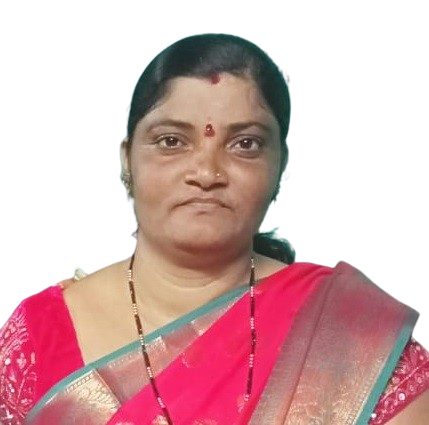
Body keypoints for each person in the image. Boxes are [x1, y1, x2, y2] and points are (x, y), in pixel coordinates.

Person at [0, 33, 428, 425]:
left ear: (282, 164)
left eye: (245, 144)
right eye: (171, 141)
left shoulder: (355, 337)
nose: (206, 173)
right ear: (126, 160)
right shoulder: (35, 338)